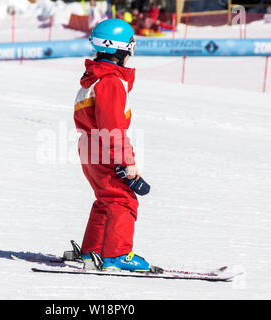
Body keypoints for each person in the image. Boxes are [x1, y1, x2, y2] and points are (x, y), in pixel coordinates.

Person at [73, 19, 150, 272]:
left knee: (106, 199)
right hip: (103, 149)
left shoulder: (95, 78)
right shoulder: (111, 82)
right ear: (124, 49)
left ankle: (92, 251)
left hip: (89, 147)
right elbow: (112, 128)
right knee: (123, 200)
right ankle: (117, 255)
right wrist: (127, 161)